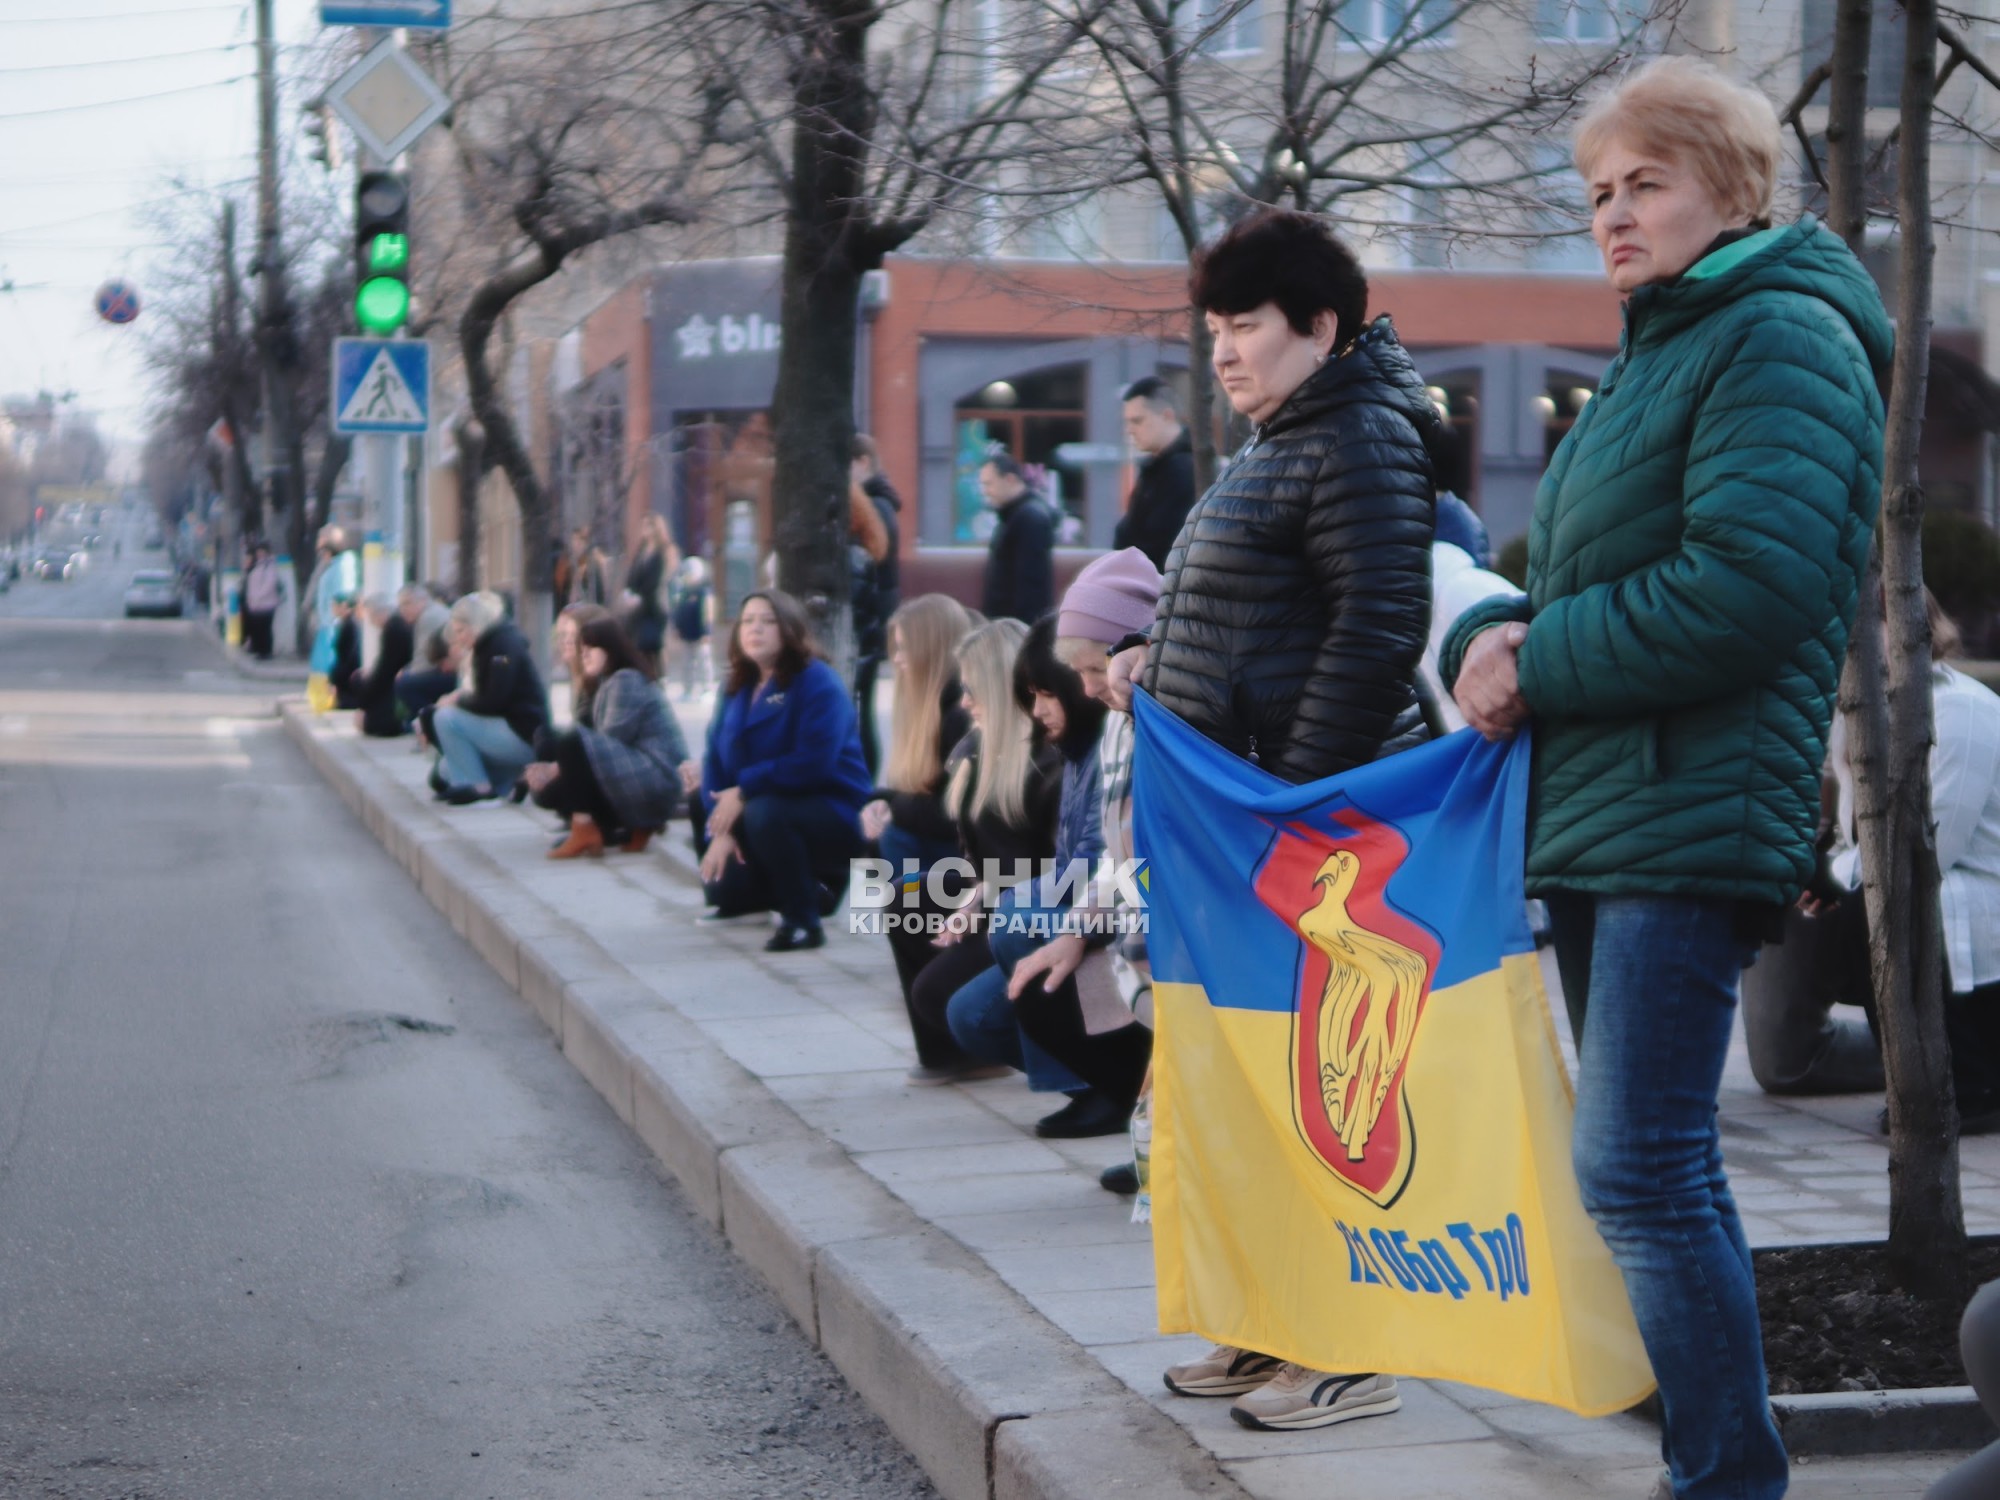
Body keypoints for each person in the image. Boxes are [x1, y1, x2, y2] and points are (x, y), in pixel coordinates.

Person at [1439, 57, 1891, 1500]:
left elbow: (1746, 589)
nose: (1613, 217)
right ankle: (1721, 1470)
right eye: (1596, 195)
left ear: (1733, 185)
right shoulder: (1669, 344)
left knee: (1642, 1170)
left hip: (1685, 813)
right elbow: (1564, 577)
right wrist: (1489, 629)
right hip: (1614, 803)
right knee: (1638, 1169)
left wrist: (1541, 657)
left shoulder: (1779, 337)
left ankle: (1728, 1481)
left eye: (1646, 184)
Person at [1105, 206, 1438, 1433]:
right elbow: (1255, 613)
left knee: (1324, 1098)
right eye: (1214, 331)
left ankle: (1351, 1349)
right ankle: (1267, 1326)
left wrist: (1290, 806)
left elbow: (1374, 628)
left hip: (1311, 837)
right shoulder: (1283, 436)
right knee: (1247, 1087)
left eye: (1244, 326)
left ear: (1320, 325)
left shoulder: (1360, 436)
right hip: (1252, 830)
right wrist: (1157, 653)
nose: (1224, 352)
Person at [1743, 592, 2000, 1122]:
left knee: (1894, 896)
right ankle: (1838, 1051)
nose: (1849, 640)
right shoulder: (1854, 711)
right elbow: (1850, 841)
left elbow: (1931, 852)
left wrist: (1832, 877)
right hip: (1891, 884)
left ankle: (1960, 1078)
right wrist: (1812, 874)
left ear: (1917, 626)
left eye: (1870, 623)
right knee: (1787, 896)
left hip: (1970, 896)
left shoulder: (1962, 711)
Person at [903, 619, 1072, 1089]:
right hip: (999, 889)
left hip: (1039, 905)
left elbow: (1060, 872)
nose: (963, 702)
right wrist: (975, 895)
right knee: (906, 896)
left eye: (973, 690)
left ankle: (1074, 1062)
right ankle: (948, 1056)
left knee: (938, 994)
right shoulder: (974, 750)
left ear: (1000, 689)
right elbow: (980, 854)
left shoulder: (1049, 762)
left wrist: (988, 901)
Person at [856, 594, 989, 1081]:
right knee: (884, 842)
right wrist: (878, 801)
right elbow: (916, 792)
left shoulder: (960, 711)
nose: (897, 656)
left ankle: (950, 1041)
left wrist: (889, 807)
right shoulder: (929, 703)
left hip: (981, 866)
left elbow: (950, 814)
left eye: (904, 645)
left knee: (897, 863)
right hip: (952, 860)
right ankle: (939, 1045)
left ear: (932, 645)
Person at [697, 590, 872, 952]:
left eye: (767, 621)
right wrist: (723, 827)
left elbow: (813, 763)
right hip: (766, 803)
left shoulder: (816, 681)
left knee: (765, 812)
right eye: (747, 621)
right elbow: (714, 760)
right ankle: (758, 898)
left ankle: (804, 919)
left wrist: (744, 790)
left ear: (789, 629)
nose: (754, 629)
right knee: (723, 886)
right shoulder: (736, 686)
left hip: (831, 808)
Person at [536, 616, 693, 859]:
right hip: (643, 776)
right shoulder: (606, 683)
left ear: (612, 648)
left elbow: (607, 741)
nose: (584, 655)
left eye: (592, 648)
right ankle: (623, 828)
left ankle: (585, 829)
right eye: (582, 650)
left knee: (569, 742)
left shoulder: (625, 680)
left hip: (656, 778)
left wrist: (559, 768)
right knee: (550, 787)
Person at [431, 591, 550, 804]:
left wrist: (457, 701)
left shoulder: (502, 646)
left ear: (476, 624)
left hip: (522, 733)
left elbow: (493, 700)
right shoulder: (491, 644)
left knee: (445, 718)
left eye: (461, 631)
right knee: (445, 769)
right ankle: (507, 784)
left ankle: (477, 787)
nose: (458, 638)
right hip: (508, 730)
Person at [850, 434, 903, 775]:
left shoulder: (875, 507)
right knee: (862, 709)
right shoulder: (882, 502)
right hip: (873, 620)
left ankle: (865, 782)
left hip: (869, 622)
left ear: (863, 463)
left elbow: (874, 569)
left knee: (862, 710)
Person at [1113, 377, 1196, 570]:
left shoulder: (1182, 471)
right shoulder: (1155, 468)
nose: (1130, 430)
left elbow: (1160, 544)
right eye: (1127, 422)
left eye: (1137, 421)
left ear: (1167, 416)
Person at [978, 451, 1055, 625]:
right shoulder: (1013, 517)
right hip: (1008, 627)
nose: (986, 492)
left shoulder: (1028, 519)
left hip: (1016, 630)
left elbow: (1031, 588)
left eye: (989, 484)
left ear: (1010, 479)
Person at [351, 594, 415, 738]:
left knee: (371, 723)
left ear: (381, 613)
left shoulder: (393, 629)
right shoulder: (395, 625)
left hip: (397, 687)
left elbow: (385, 671)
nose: (372, 622)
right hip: (395, 683)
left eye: (371, 617)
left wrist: (364, 703)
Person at [622, 512, 677, 676]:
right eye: (644, 526)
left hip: (654, 607)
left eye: (649, 526)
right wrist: (628, 593)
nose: (645, 530)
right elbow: (632, 577)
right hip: (637, 610)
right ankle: (645, 677)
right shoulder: (641, 551)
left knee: (652, 646)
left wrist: (640, 599)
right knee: (638, 646)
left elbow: (656, 582)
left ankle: (657, 678)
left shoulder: (662, 553)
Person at [393, 584, 457, 724]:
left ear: (422, 600)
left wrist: (407, 673)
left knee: (405, 684)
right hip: (446, 668)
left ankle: (428, 722)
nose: (403, 610)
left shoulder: (428, 617)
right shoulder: (430, 613)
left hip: (451, 671)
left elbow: (424, 660)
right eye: (401, 605)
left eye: (407, 603)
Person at [668, 555, 716, 702]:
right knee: (687, 663)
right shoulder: (683, 593)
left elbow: (708, 613)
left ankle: (706, 689)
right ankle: (688, 689)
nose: (690, 577)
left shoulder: (704, 592)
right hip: (687, 634)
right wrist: (677, 628)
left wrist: (707, 631)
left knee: (704, 662)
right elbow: (678, 612)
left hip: (700, 634)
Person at [557, 526, 611, 609]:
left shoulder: (593, 561)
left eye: (580, 541)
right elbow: (563, 592)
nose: (576, 544)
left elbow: (603, 589)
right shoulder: (565, 562)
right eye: (574, 540)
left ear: (586, 544)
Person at [242, 543, 279, 659]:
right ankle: (258, 650)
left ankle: (266, 652)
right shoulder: (256, 565)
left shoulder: (269, 565)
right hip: (256, 604)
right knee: (257, 629)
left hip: (267, 604)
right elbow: (250, 583)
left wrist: (258, 596)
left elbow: (269, 584)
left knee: (265, 629)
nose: (259, 554)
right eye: (258, 552)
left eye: (262, 551)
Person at [327, 597, 363, 709]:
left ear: (344, 605)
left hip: (348, 672)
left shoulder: (349, 624)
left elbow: (347, 655)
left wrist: (334, 677)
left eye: (334, 606)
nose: (332, 609)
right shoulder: (346, 623)